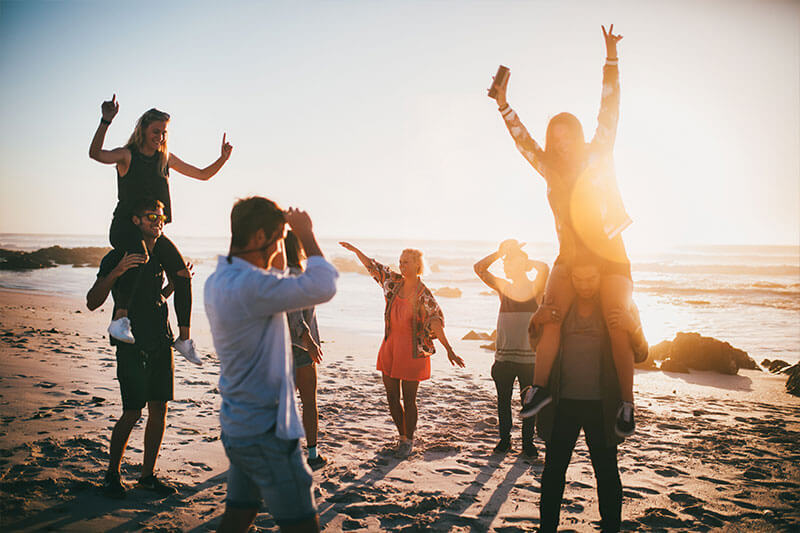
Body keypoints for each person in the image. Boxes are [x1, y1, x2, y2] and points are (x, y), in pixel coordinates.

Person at [488, 25, 637, 436]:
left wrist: (611, 60)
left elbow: (609, 112)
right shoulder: (549, 168)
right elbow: (523, 141)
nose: (562, 143)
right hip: (570, 257)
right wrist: (503, 105)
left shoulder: (597, 155)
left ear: (578, 136)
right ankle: (538, 391)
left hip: (610, 256)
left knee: (616, 320)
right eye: (556, 138)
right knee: (549, 316)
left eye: (568, 135)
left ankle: (626, 403)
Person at [204, 197, 338, 533]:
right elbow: (324, 285)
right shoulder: (252, 287)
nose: (282, 246)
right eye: (279, 238)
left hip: (239, 425)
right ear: (258, 237)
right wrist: (306, 234)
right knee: (304, 527)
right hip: (268, 433)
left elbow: (278, 279)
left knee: (239, 516)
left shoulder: (220, 280)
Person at [89, 95, 233, 366]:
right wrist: (105, 121)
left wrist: (222, 158)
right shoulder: (127, 155)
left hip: (154, 229)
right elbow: (95, 154)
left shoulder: (165, 158)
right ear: (143, 128)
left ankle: (184, 339)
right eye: (156, 131)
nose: (160, 136)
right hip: (126, 227)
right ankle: (120, 319)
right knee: (137, 255)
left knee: (181, 274)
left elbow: (202, 174)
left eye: (164, 132)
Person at [531, 255, 648, 532]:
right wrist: (537, 318)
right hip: (561, 404)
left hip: (603, 406)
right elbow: (536, 345)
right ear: (570, 279)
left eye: (591, 278)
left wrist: (633, 327)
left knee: (607, 474)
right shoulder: (561, 304)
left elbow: (642, 353)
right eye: (578, 279)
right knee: (553, 473)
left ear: (602, 277)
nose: (585, 285)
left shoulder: (618, 305)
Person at [86, 197, 182, 499]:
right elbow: (92, 301)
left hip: (160, 339)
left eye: (161, 215)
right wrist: (117, 271)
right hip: (130, 342)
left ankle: (147, 476)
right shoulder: (117, 256)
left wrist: (177, 285)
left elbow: (156, 298)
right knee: (132, 411)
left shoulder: (164, 255)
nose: (158, 219)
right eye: (150, 215)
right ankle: (112, 474)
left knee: (159, 409)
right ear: (135, 221)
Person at [339, 242, 465, 457]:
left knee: (409, 399)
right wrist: (356, 251)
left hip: (412, 352)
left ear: (417, 265)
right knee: (391, 397)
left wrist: (449, 349)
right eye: (400, 262)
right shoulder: (393, 283)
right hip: (390, 347)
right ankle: (402, 436)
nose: (401, 266)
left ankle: (409, 440)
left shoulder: (424, 294)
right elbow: (373, 267)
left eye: (406, 262)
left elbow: (436, 322)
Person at [474, 239, 549, 456]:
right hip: (504, 358)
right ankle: (504, 441)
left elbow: (544, 268)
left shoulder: (535, 288)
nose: (505, 266)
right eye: (505, 263)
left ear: (522, 264)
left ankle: (527, 444)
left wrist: (524, 259)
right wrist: (500, 253)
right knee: (503, 403)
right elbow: (479, 268)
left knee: (528, 404)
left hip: (528, 360)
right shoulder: (503, 287)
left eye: (509, 262)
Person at [284, 231, 327, 470]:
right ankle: (312, 454)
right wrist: (309, 341)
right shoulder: (296, 276)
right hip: (299, 347)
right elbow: (295, 314)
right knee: (308, 402)